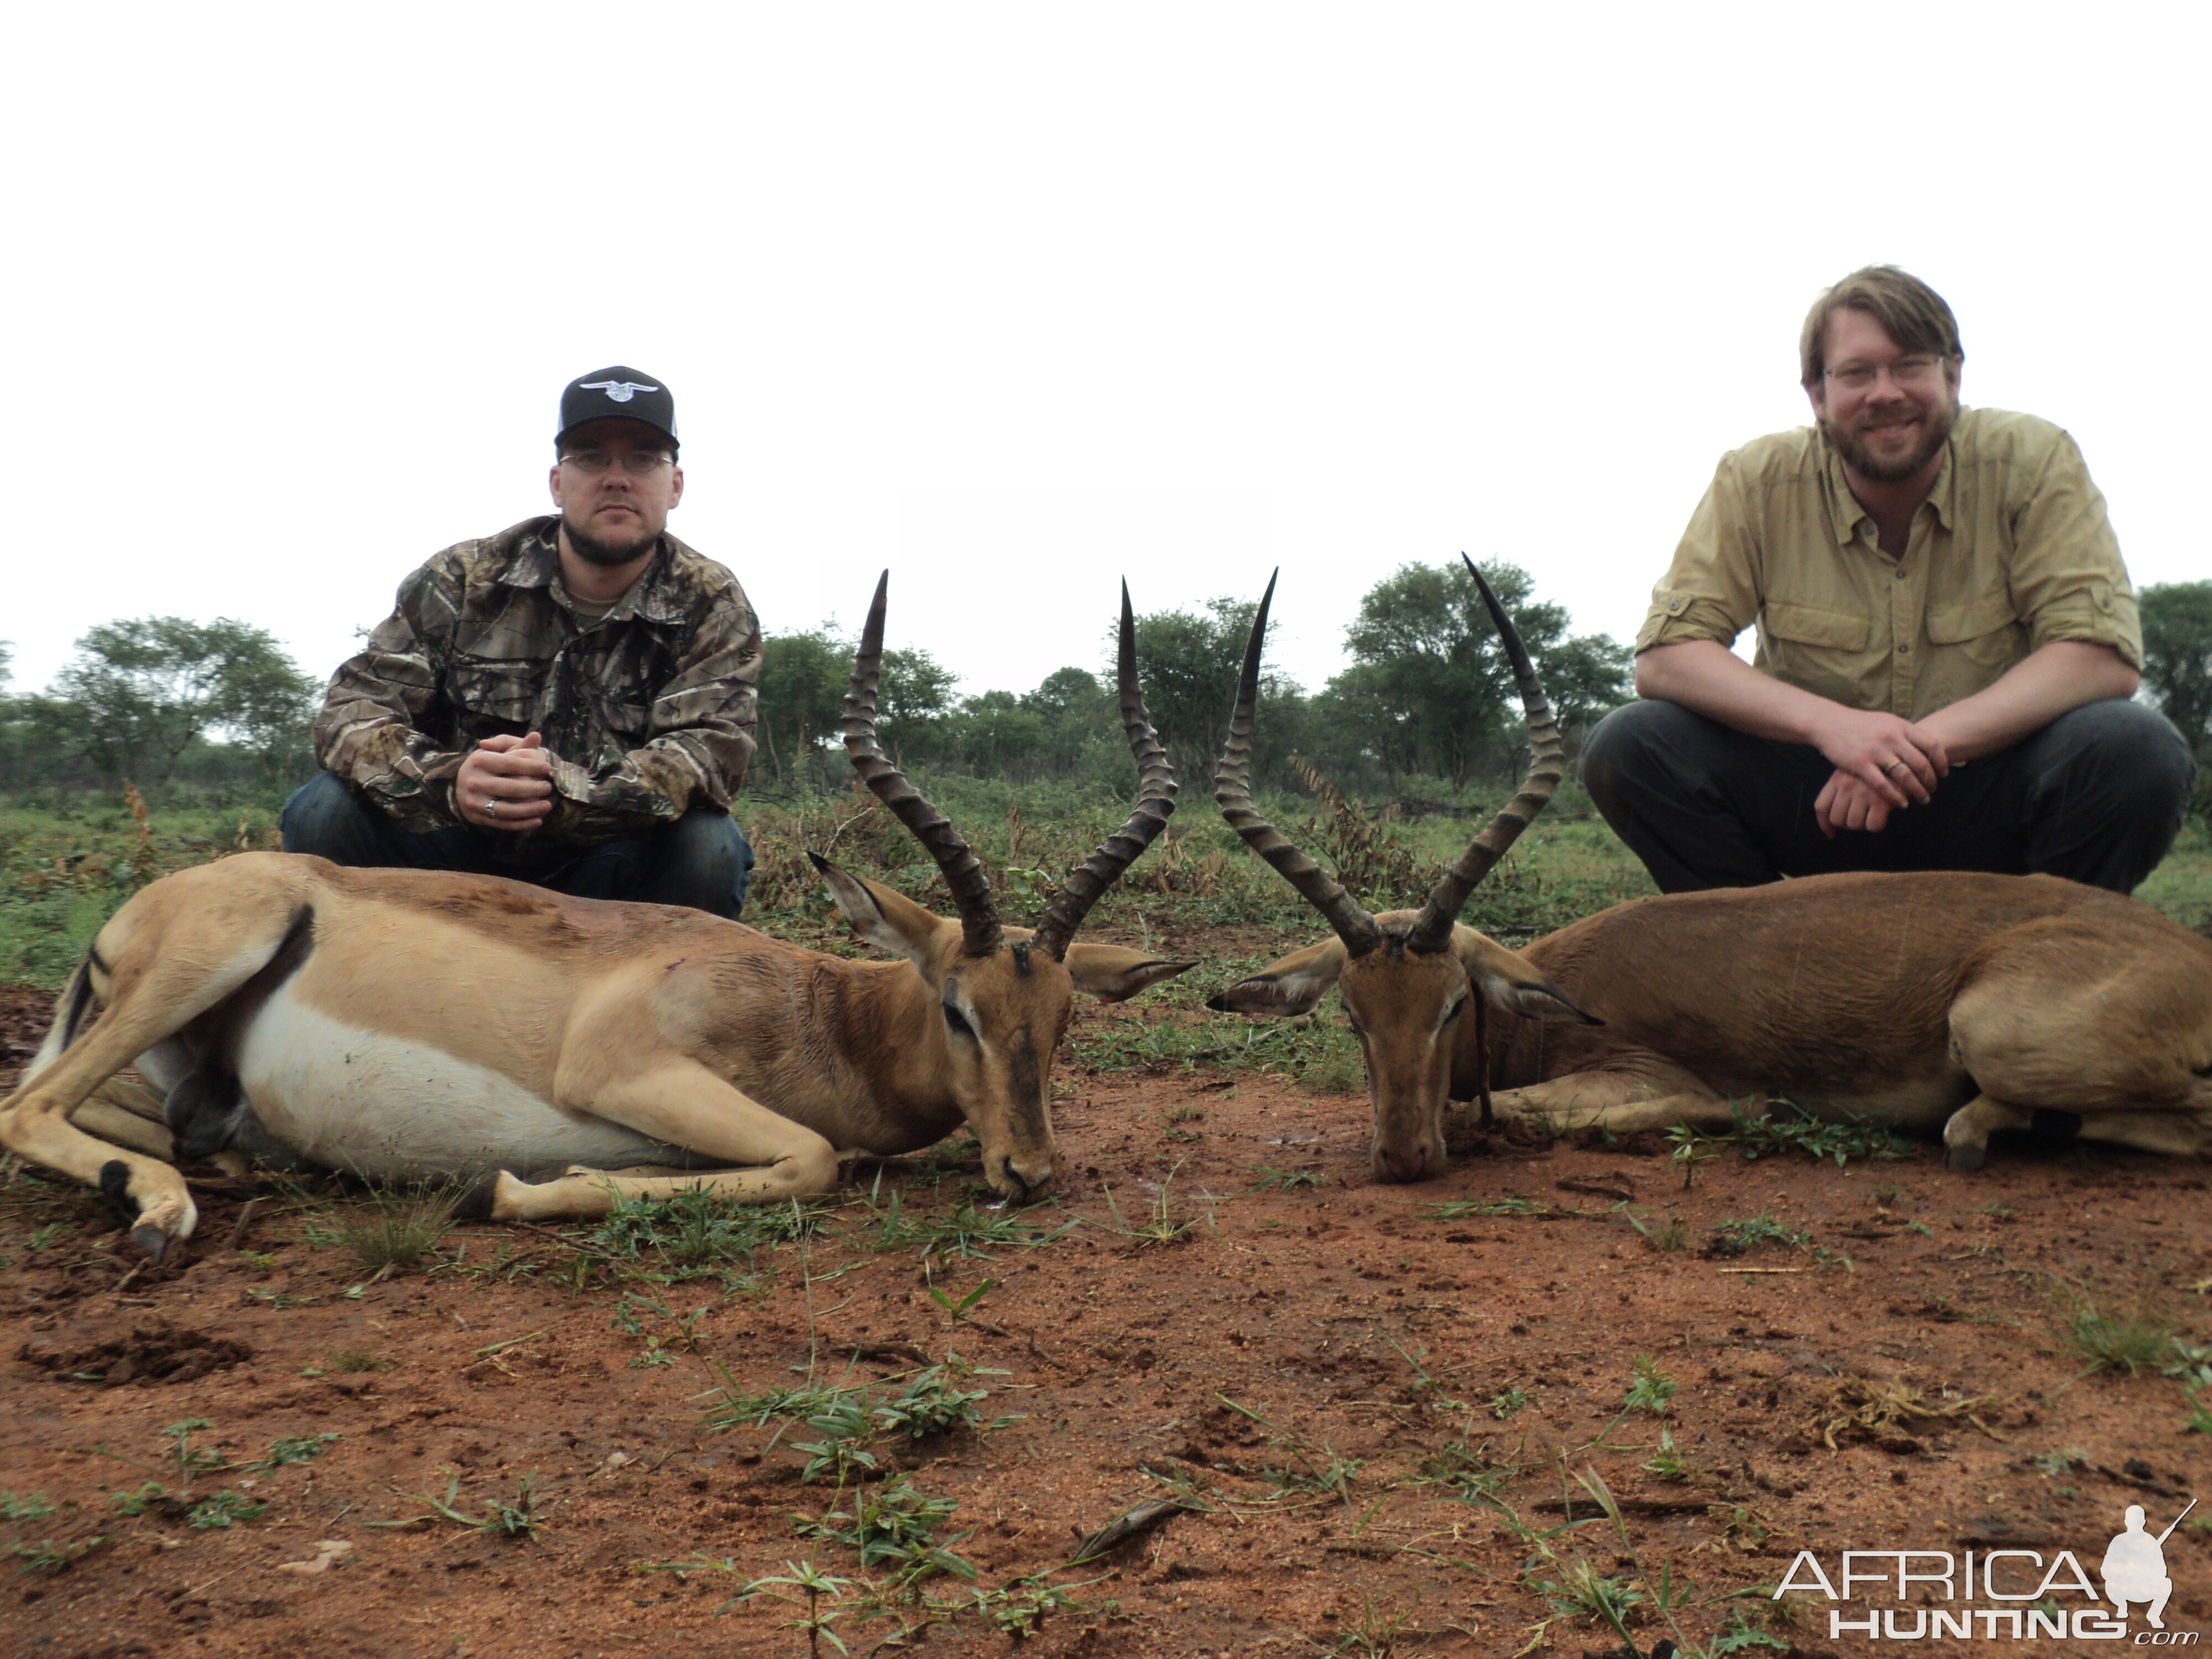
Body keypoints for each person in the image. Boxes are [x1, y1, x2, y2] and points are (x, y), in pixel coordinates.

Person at [1581, 267, 2194, 895]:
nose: (1884, 393)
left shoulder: (2034, 460)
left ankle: (2042, 963)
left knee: (2135, 747)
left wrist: (1909, 746)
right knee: (1630, 744)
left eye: (1908, 366)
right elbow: (1666, 659)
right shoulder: (1756, 479)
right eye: (1855, 374)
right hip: (1821, 805)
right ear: (1816, 394)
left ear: (1951, 375)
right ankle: (1763, 964)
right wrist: (1834, 728)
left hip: (1986, 798)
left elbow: (2099, 659)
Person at [283, 368, 761, 916]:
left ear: (675, 485)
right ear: (558, 482)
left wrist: (566, 793)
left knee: (709, 847)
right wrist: (449, 779)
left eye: (644, 458)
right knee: (324, 810)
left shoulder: (712, 603)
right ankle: (367, 991)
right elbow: (350, 713)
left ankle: (651, 997)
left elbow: (707, 759)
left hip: (606, 868)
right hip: (450, 850)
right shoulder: (461, 579)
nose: (616, 478)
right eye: (590, 457)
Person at [2100, 1504, 2173, 1629]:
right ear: (2126, 1522)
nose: (2135, 1524)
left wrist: (2146, 1570)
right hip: (2121, 1589)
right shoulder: (2118, 1541)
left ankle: (2154, 1615)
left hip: (2143, 1588)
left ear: (2144, 1522)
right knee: (2111, 1583)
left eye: (2138, 1521)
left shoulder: (2151, 1542)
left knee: (2167, 1583)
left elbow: (2162, 1571)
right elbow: (2106, 1570)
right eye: (2132, 1521)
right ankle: (2122, 1606)